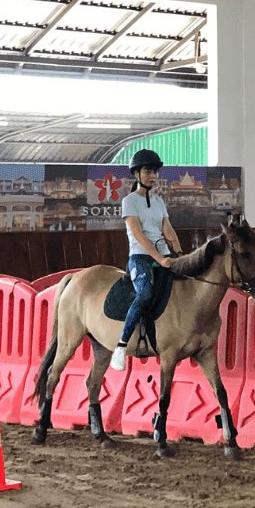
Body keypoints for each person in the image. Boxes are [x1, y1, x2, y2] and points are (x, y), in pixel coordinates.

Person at [110, 150, 182, 372]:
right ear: (137, 174)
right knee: (145, 294)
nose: (153, 176)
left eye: (155, 172)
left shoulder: (159, 201)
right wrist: (159, 258)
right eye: (148, 171)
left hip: (162, 255)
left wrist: (179, 254)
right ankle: (122, 345)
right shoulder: (129, 201)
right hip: (140, 258)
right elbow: (138, 234)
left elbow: (167, 229)